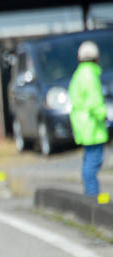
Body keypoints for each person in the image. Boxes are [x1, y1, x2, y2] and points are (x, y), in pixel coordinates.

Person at [69, 40, 109, 197]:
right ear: (96, 58)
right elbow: (95, 101)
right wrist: (103, 115)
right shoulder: (90, 74)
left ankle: (90, 194)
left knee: (88, 162)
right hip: (92, 126)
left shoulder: (78, 74)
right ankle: (92, 196)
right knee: (93, 163)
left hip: (82, 125)